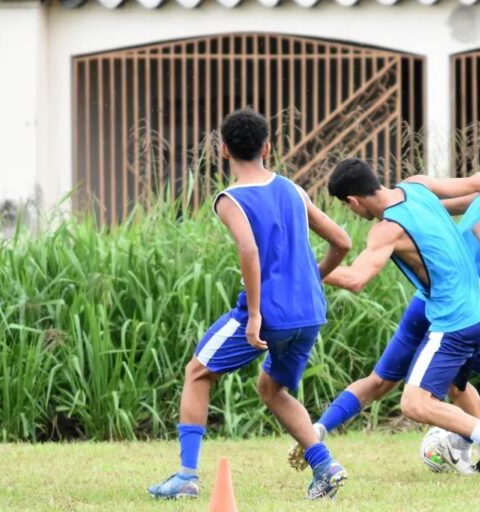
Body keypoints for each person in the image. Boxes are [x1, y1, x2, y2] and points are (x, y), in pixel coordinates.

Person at [287, 154, 480, 475]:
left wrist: (300, 269)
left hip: (454, 317)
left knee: (415, 402)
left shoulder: (387, 229)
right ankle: (317, 432)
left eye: (347, 207)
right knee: (447, 387)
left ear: (352, 201)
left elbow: (355, 279)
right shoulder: (416, 186)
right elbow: (479, 181)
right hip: (471, 307)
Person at [147, 109, 352, 500]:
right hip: (309, 313)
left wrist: (255, 315)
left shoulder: (231, 199)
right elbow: (342, 241)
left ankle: (187, 477)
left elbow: (249, 250)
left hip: (268, 313)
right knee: (273, 390)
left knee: (196, 373)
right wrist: (313, 279)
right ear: (268, 147)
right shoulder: (293, 189)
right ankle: (325, 467)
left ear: (223, 151)